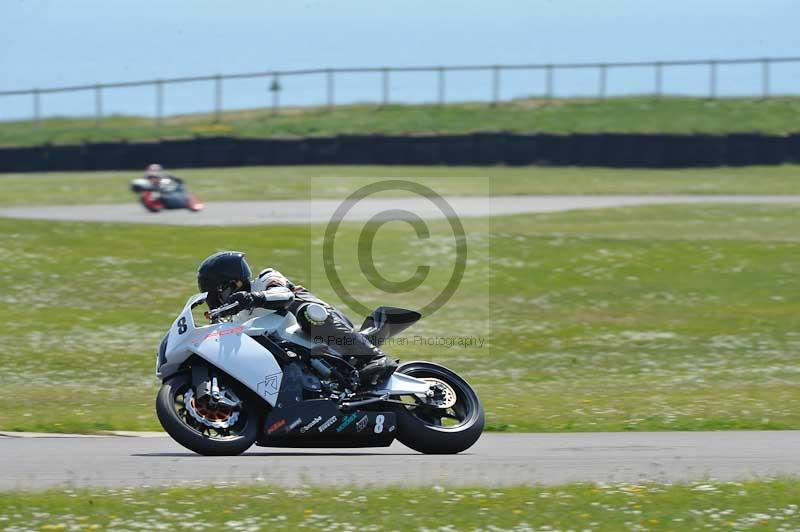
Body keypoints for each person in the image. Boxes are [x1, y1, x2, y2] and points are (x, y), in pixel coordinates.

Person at [196, 251, 397, 388]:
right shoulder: (239, 319)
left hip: (319, 326)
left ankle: (374, 357)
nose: (218, 300)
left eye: (218, 292)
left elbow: (284, 295)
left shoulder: (265, 279)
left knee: (308, 312)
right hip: (298, 355)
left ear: (234, 282)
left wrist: (253, 299)